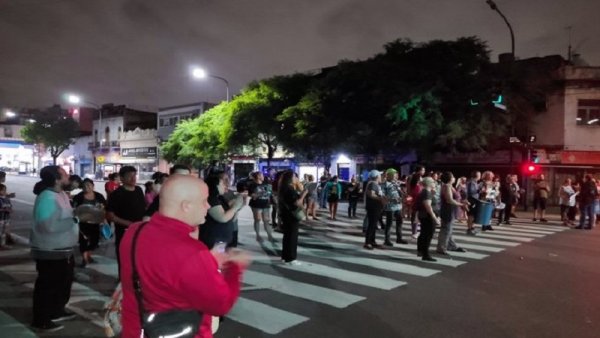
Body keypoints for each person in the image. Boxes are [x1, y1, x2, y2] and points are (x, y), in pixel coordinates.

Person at [119, 175, 251, 338]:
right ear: (186, 206)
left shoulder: (135, 231)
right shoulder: (192, 253)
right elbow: (220, 304)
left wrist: (206, 261)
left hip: (135, 330)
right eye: (204, 201)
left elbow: (162, 267)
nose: (208, 206)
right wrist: (235, 267)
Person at [30, 166, 79, 332]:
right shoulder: (47, 198)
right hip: (49, 251)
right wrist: (77, 219)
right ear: (57, 179)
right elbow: (48, 226)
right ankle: (41, 319)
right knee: (48, 286)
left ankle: (56, 311)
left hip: (63, 249)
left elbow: (67, 216)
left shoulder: (61, 194)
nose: (68, 176)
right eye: (64, 174)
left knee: (63, 284)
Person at [106, 166, 146, 279]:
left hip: (140, 231)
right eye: (130, 176)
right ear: (122, 178)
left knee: (138, 258)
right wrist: (128, 223)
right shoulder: (116, 194)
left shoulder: (139, 190)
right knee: (125, 258)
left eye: (134, 175)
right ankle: (123, 282)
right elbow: (110, 215)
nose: (133, 178)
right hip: (124, 232)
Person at [199, 170, 245, 249]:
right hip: (215, 239)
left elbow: (232, 218)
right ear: (215, 185)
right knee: (216, 260)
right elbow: (222, 218)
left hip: (223, 238)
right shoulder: (211, 198)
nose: (225, 185)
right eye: (222, 183)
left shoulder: (220, 197)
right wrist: (235, 207)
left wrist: (236, 206)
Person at [73, 179, 107, 267]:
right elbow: (74, 209)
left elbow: (104, 209)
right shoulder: (79, 197)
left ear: (93, 186)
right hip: (82, 223)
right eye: (84, 186)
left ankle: (88, 254)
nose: (86, 187)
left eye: (88, 185)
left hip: (95, 222)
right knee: (83, 241)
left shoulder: (99, 196)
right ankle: (85, 259)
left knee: (94, 241)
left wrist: (104, 220)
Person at [278, 170, 308, 264]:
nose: (296, 179)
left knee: (287, 236)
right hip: (291, 215)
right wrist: (304, 194)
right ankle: (291, 258)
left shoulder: (283, 187)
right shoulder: (289, 189)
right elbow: (297, 202)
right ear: (290, 178)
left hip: (285, 214)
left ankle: (285, 256)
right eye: (295, 177)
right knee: (292, 236)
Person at [437, 172, 468, 256]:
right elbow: (449, 200)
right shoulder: (446, 186)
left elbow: (455, 198)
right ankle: (441, 247)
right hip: (448, 210)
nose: (454, 178)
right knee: (446, 229)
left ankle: (451, 245)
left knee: (449, 229)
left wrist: (462, 202)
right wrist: (461, 204)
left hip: (451, 209)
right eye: (453, 177)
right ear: (449, 178)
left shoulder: (450, 186)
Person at [382, 169, 407, 246]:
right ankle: (387, 240)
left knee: (399, 222)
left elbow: (400, 192)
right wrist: (392, 199)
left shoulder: (396, 183)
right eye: (394, 174)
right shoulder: (385, 184)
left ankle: (399, 238)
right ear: (388, 175)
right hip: (390, 207)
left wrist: (403, 195)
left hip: (398, 206)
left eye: (396, 174)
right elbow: (383, 196)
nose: (396, 176)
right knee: (389, 223)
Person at [247, 171, 275, 242]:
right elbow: (252, 196)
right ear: (258, 176)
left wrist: (272, 199)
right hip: (256, 205)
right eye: (262, 175)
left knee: (266, 221)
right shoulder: (252, 185)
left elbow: (270, 194)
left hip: (266, 204)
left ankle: (270, 236)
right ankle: (258, 235)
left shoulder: (266, 183)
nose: (263, 176)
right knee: (257, 220)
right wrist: (260, 193)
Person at [364, 170, 386, 250]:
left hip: (376, 207)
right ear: (377, 177)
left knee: (373, 225)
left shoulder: (376, 184)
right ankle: (368, 242)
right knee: (372, 225)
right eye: (380, 176)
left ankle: (372, 241)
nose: (381, 177)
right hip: (373, 207)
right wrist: (381, 199)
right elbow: (371, 194)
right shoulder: (373, 184)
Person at [466, 171, 481, 235]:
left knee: (473, 215)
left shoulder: (474, 182)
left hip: (474, 200)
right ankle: (469, 229)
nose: (480, 176)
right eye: (480, 175)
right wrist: (479, 190)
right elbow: (471, 192)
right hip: (472, 200)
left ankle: (472, 228)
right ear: (477, 175)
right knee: (471, 215)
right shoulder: (472, 182)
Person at [0, 183, 13, 247]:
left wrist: (10, 210)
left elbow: (10, 206)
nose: (4, 191)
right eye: (3, 190)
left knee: (4, 232)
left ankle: (3, 244)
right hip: (1, 218)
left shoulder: (7, 199)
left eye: (5, 190)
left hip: (6, 218)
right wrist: (4, 210)